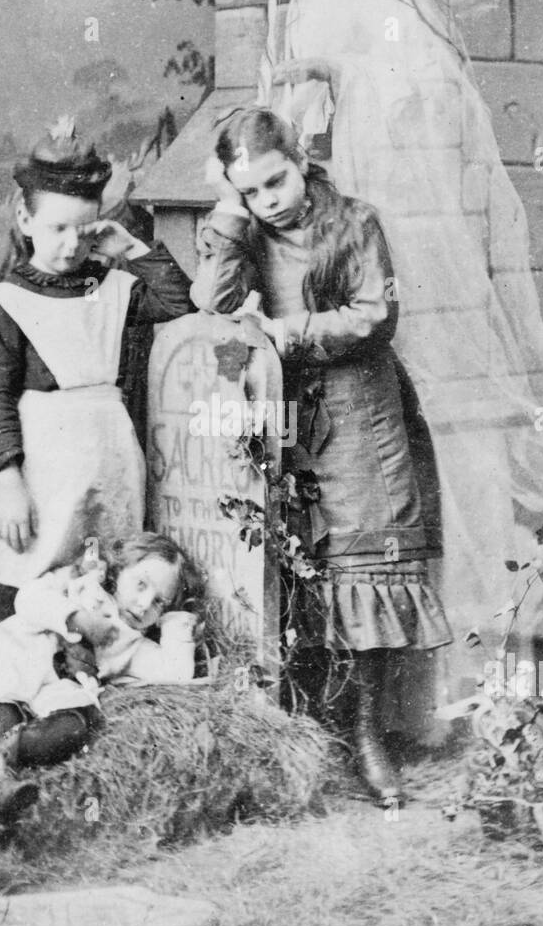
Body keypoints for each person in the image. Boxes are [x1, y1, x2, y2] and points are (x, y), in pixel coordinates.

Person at [254, 0, 543, 704]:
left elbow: (439, 92)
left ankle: (484, 653)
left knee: (458, 419)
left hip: (415, 231)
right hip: (342, 236)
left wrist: (340, 72)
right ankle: (392, 685)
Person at [191, 106, 452, 806]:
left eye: (276, 181)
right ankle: (313, 730)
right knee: (296, 569)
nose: (268, 199)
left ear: (301, 159)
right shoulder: (247, 227)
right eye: (250, 190)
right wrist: (228, 213)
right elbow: (211, 301)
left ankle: (367, 734)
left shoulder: (355, 223)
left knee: (364, 566)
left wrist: (286, 330)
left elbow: (375, 315)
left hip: (362, 410)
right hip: (287, 414)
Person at [0, 116, 193, 591]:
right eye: (57, 228)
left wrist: (132, 248)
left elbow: (180, 305)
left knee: (102, 577)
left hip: (108, 456)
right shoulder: (10, 301)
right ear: (25, 219)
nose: (70, 244)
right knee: (35, 573)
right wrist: (9, 479)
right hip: (42, 461)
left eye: (83, 230)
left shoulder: (115, 288)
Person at [0, 533, 203, 819]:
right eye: (141, 584)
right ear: (119, 570)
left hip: (55, 697)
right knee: (0, 711)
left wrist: (177, 619)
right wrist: (76, 617)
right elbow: (28, 598)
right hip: (15, 664)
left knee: (76, 727)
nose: (143, 604)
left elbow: (175, 672)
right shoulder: (81, 584)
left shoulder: (132, 643)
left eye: (159, 602)